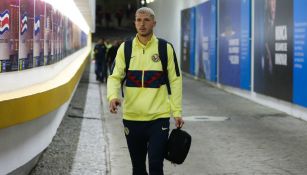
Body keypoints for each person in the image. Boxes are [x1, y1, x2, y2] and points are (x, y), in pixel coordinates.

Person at [107, 7, 184, 175]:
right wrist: (113, 96)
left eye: (146, 20)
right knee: (138, 167)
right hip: (132, 118)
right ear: (134, 22)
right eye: (138, 20)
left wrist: (176, 111)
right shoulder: (125, 49)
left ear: (154, 23)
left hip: (159, 118)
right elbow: (114, 77)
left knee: (156, 164)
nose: (142, 24)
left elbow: (175, 80)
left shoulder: (165, 48)